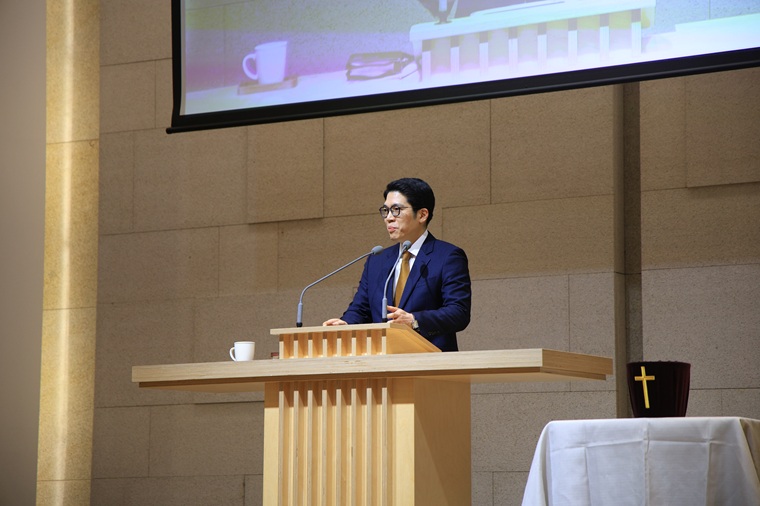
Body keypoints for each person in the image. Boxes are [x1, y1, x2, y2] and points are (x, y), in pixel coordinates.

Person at [323, 178, 471, 351]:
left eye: (396, 210)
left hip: (430, 359)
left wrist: (414, 320)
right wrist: (346, 324)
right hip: (383, 359)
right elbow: (361, 309)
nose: (388, 218)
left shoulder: (447, 256)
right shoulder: (377, 260)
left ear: (422, 215)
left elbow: (458, 312)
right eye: (386, 211)